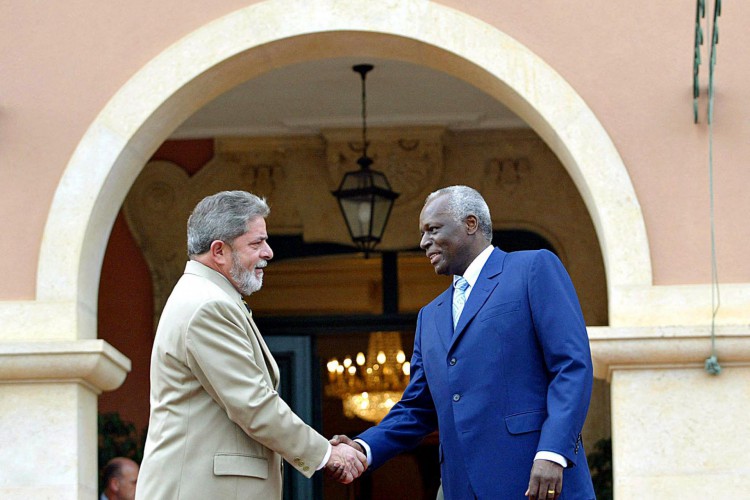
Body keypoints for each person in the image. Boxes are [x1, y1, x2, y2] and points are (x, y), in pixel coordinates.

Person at [331, 185, 595, 499]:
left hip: (535, 480)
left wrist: (552, 452)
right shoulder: (429, 317)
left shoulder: (532, 268)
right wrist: (363, 447)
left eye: (433, 229)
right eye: (422, 233)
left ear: (470, 224)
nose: (423, 242)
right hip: (461, 487)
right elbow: (416, 408)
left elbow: (571, 366)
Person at [136, 191, 366, 499]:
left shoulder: (208, 298)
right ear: (219, 251)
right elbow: (254, 404)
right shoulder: (208, 306)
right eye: (256, 243)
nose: (269, 252)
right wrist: (327, 454)